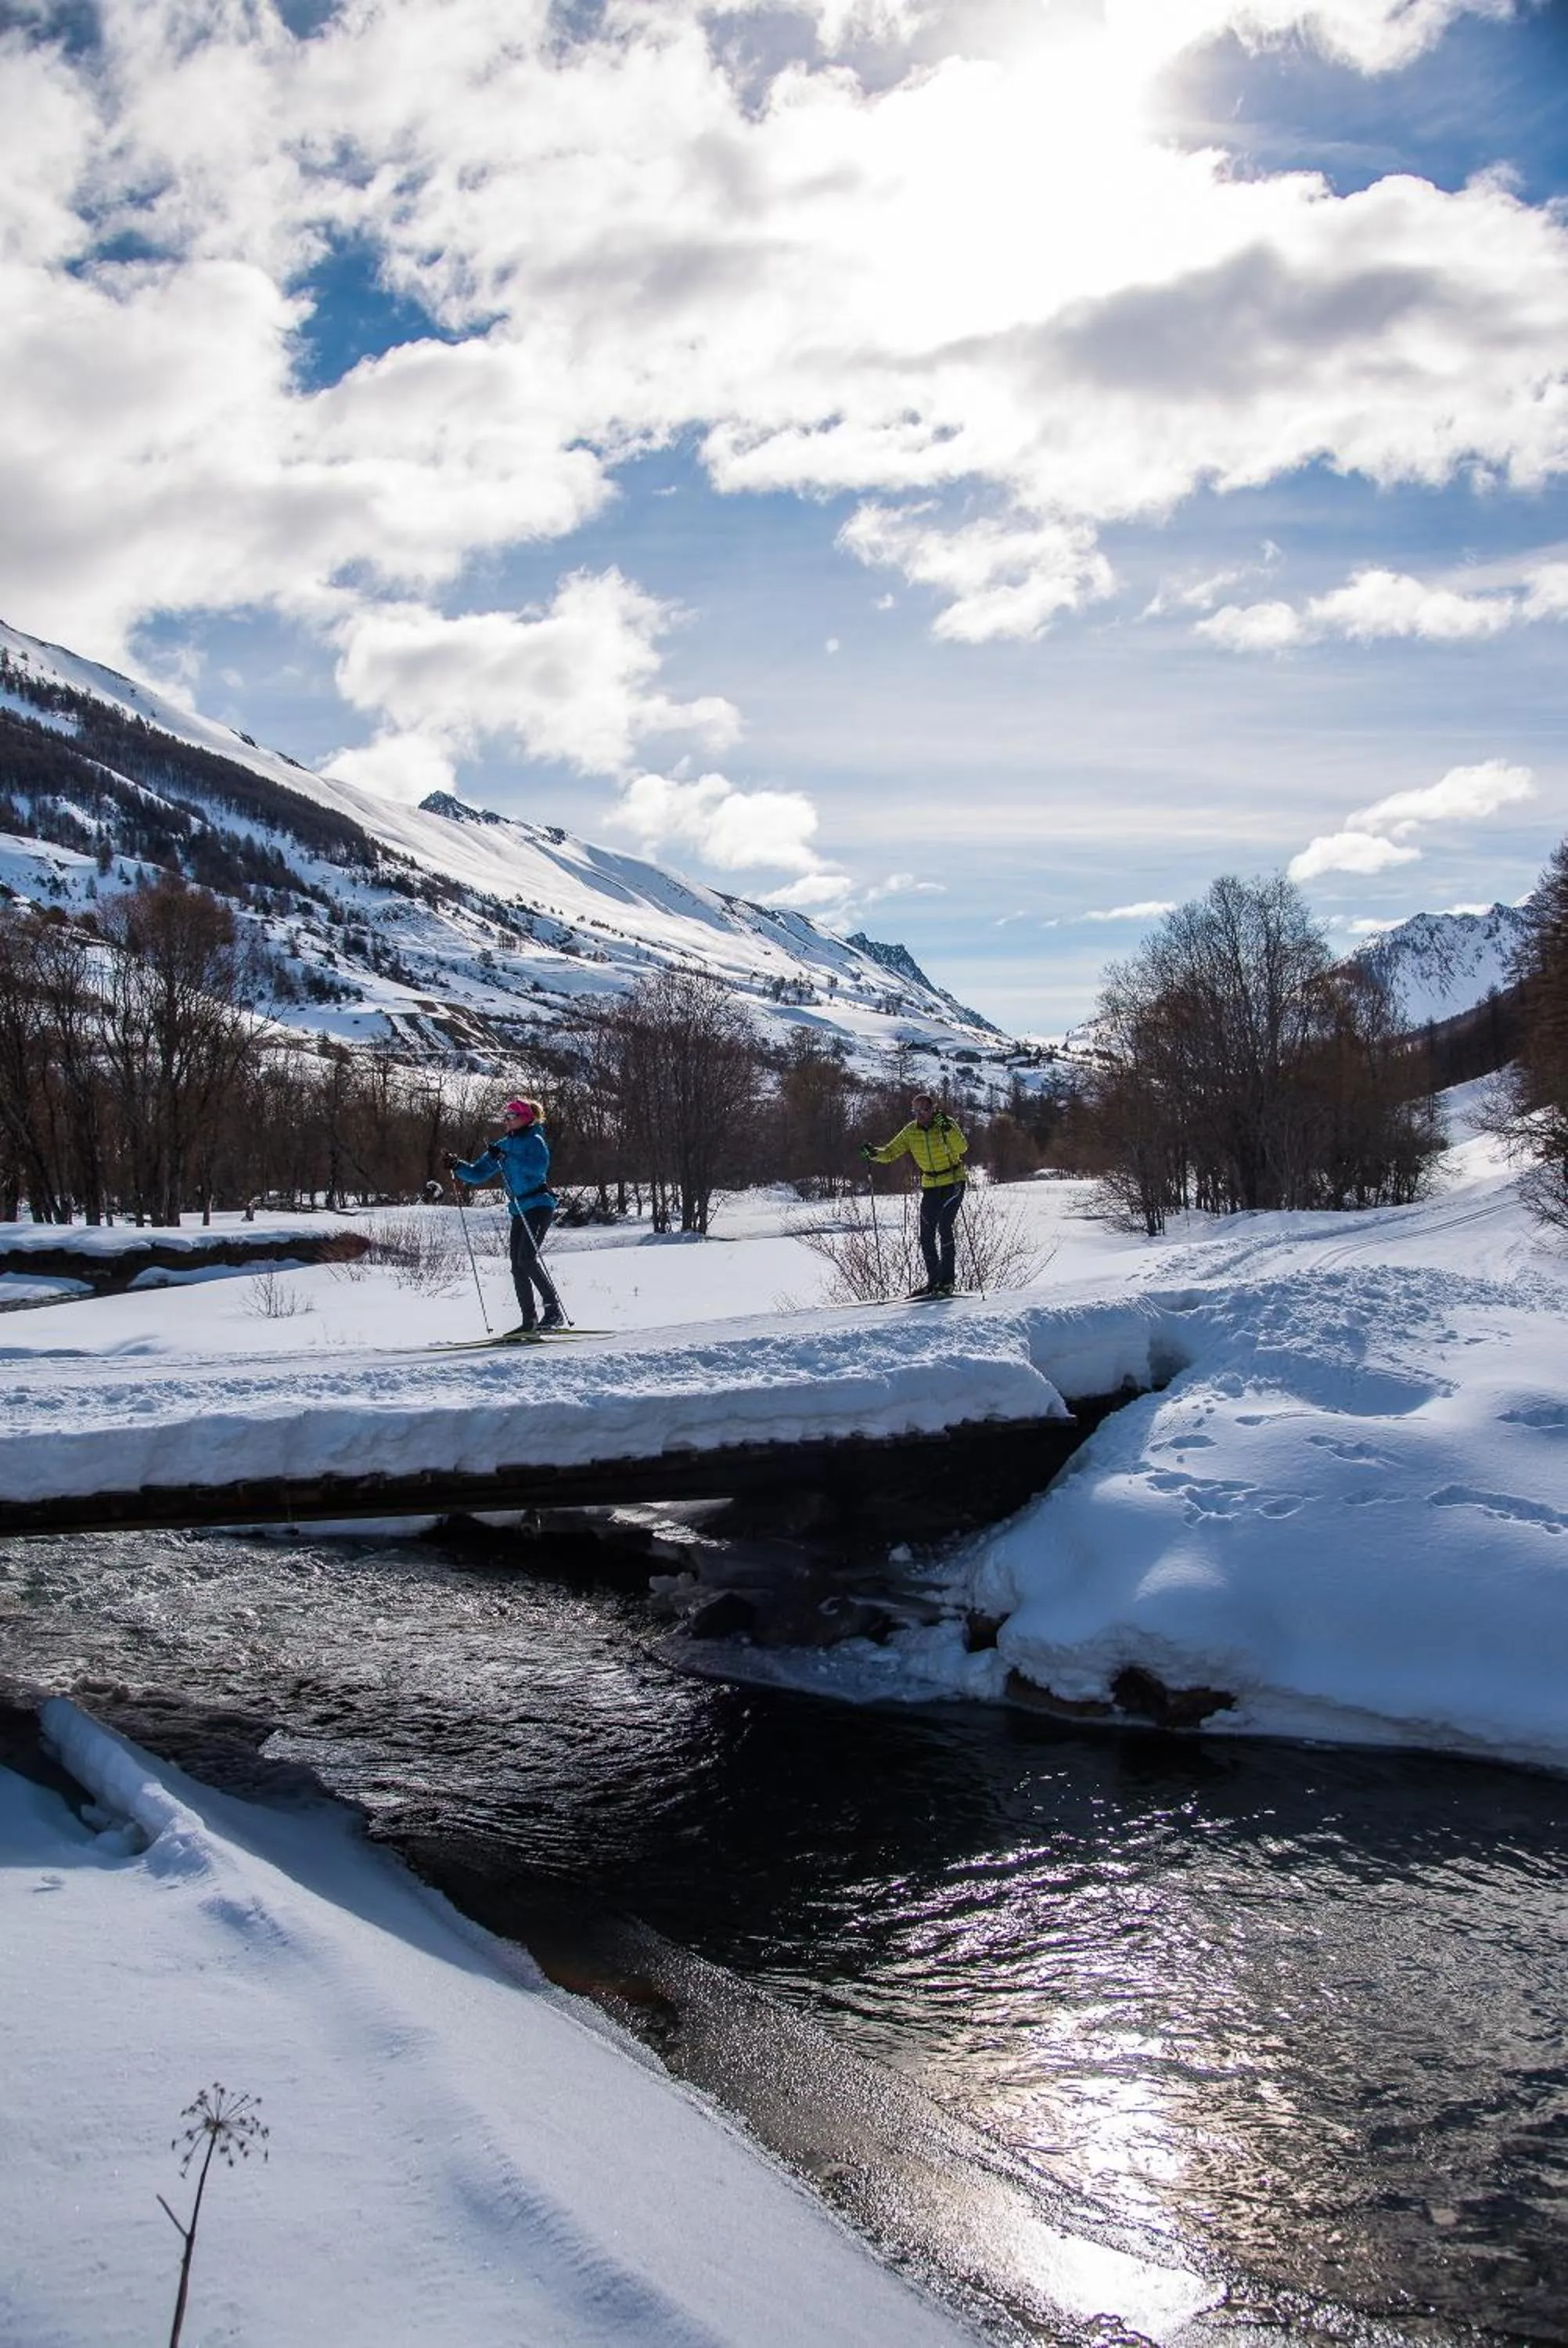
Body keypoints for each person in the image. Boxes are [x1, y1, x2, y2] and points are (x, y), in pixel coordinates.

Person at [444, 1097, 565, 1334]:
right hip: (519, 1209)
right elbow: (478, 1173)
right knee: (517, 1266)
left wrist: (507, 1158)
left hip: (539, 1205)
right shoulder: (503, 1145)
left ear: (525, 1118)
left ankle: (553, 1312)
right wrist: (457, 1165)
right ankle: (529, 1320)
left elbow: (538, 1167)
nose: (506, 1122)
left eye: (511, 1117)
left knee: (527, 1258)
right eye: (504, 1118)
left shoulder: (535, 1140)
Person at [861, 1093, 969, 1297]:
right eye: (915, 1111)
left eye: (924, 1110)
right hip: (930, 1185)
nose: (920, 1115)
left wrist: (947, 1128)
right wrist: (874, 1153)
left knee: (945, 1227)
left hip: (953, 1181)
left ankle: (948, 1281)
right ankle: (934, 1282)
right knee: (926, 1235)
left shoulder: (946, 1124)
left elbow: (962, 1147)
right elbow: (891, 1152)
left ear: (933, 1109)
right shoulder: (911, 1131)